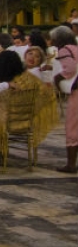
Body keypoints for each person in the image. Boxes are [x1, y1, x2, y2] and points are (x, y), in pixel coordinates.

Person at [0, 49, 58, 168]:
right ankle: (0, 153)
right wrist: (33, 110)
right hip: (24, 120)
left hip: (4, 120)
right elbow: (47, 94)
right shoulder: (30, 79)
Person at [52, 25, 78, 173]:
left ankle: (71, 164)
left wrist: (58, 78)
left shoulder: (64, 50)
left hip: (75, 90)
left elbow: (70, 68)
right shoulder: (75, 48)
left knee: (72, 126)